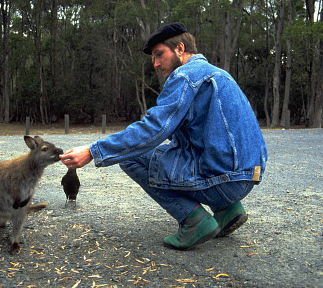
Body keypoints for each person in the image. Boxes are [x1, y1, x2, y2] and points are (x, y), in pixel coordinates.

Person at [60, 22, 267, 250]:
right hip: (248, 177)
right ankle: (228, 210)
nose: (156, 64)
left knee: (130, 157)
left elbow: (153, 130)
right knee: (172, 151)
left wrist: (93, 151)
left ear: (180, 48)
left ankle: (193, 219)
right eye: (154, 59)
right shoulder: (219, 74)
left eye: (160, 55)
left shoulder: (185, 76)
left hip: (225, 182)